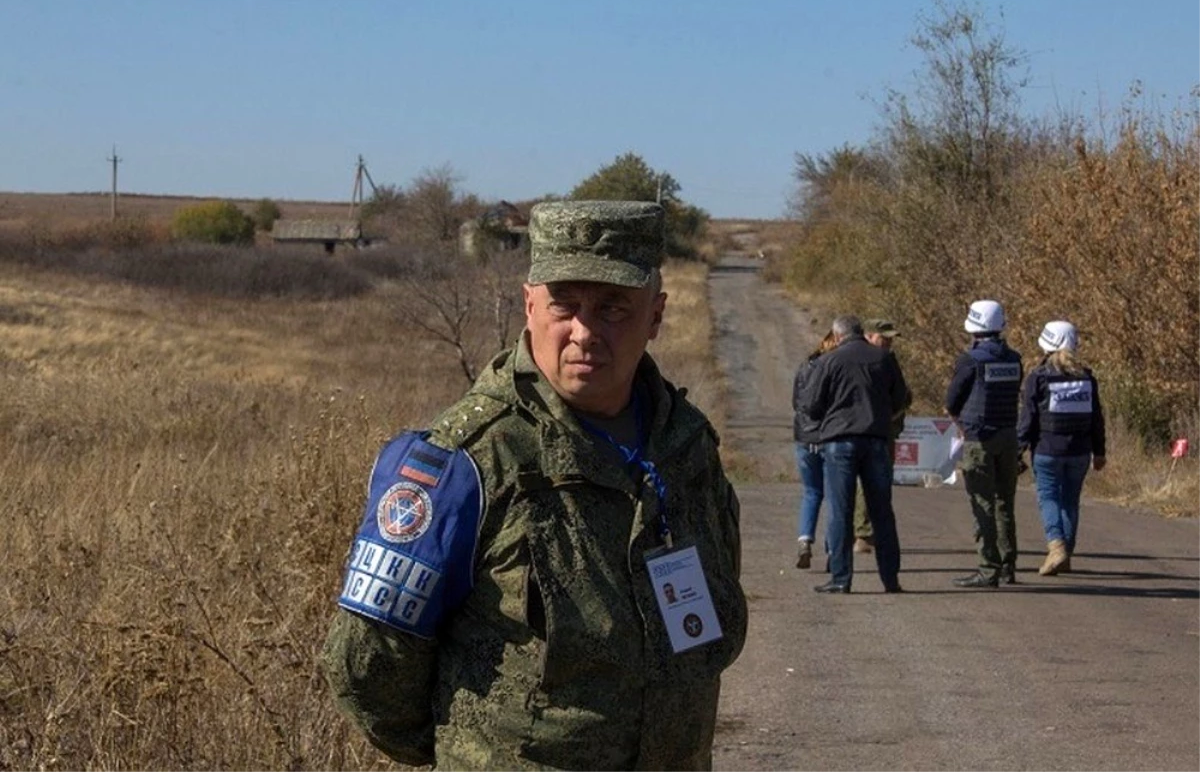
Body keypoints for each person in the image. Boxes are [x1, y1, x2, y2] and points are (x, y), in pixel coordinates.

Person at [321, 200, 748, 770]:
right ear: (529, 306)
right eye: (563, 305)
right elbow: (368, 663)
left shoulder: (687, 447)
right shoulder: (463, 462)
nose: (585, 332)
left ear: (656, 315)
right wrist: (473, 753)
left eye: (613, 307)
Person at [799, 315, 909, 594]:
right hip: (876, 440)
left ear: (837, 337)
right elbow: (901, 399)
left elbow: (810, 406)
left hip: (839, 442)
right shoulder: (884, 359)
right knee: (882, 511)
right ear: (862, 333)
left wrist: (832, 416)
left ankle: (840, 578)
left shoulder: (829, 361)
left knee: (840, 510)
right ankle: (890, 579)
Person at [1017, 320, 1107, 575]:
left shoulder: (1038, 377)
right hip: (1080, 451)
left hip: (1047, 450)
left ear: (1046, 344)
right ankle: (1066, 555)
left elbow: (1028, 418)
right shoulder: (1087, 378)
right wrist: (1100, 452)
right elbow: (1096, 418)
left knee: (1048, 498)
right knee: (1070, 502)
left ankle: (1056, 547)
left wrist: (1017, 449)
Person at [945, 300, 1023, 588]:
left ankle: (987, 568)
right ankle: (1008, 566)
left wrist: (961, 424)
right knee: (1005, 503)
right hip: (1008, 436)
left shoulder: (971, 360)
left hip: (979, 438)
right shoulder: (1014, 359)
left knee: (982, 504)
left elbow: (951, 400)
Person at [851, 318, 913, 553]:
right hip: (874, 431)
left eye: (890, 339)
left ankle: (860, 533)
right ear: (868, 335)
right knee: (868, 484)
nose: (888, 342)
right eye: (883, 338)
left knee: (867, 484)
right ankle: (863, 534)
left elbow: (902, 396)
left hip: (878, 430)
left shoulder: (886, 360)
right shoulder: (876, 360)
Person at [792, 330, 839, 569]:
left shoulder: (805, 367)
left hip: (803, 437)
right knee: (833, 496)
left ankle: (804, 540)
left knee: (811, 492)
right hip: (828, 438)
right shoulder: (836, 370)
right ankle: (832, 550)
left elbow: (796, 403)